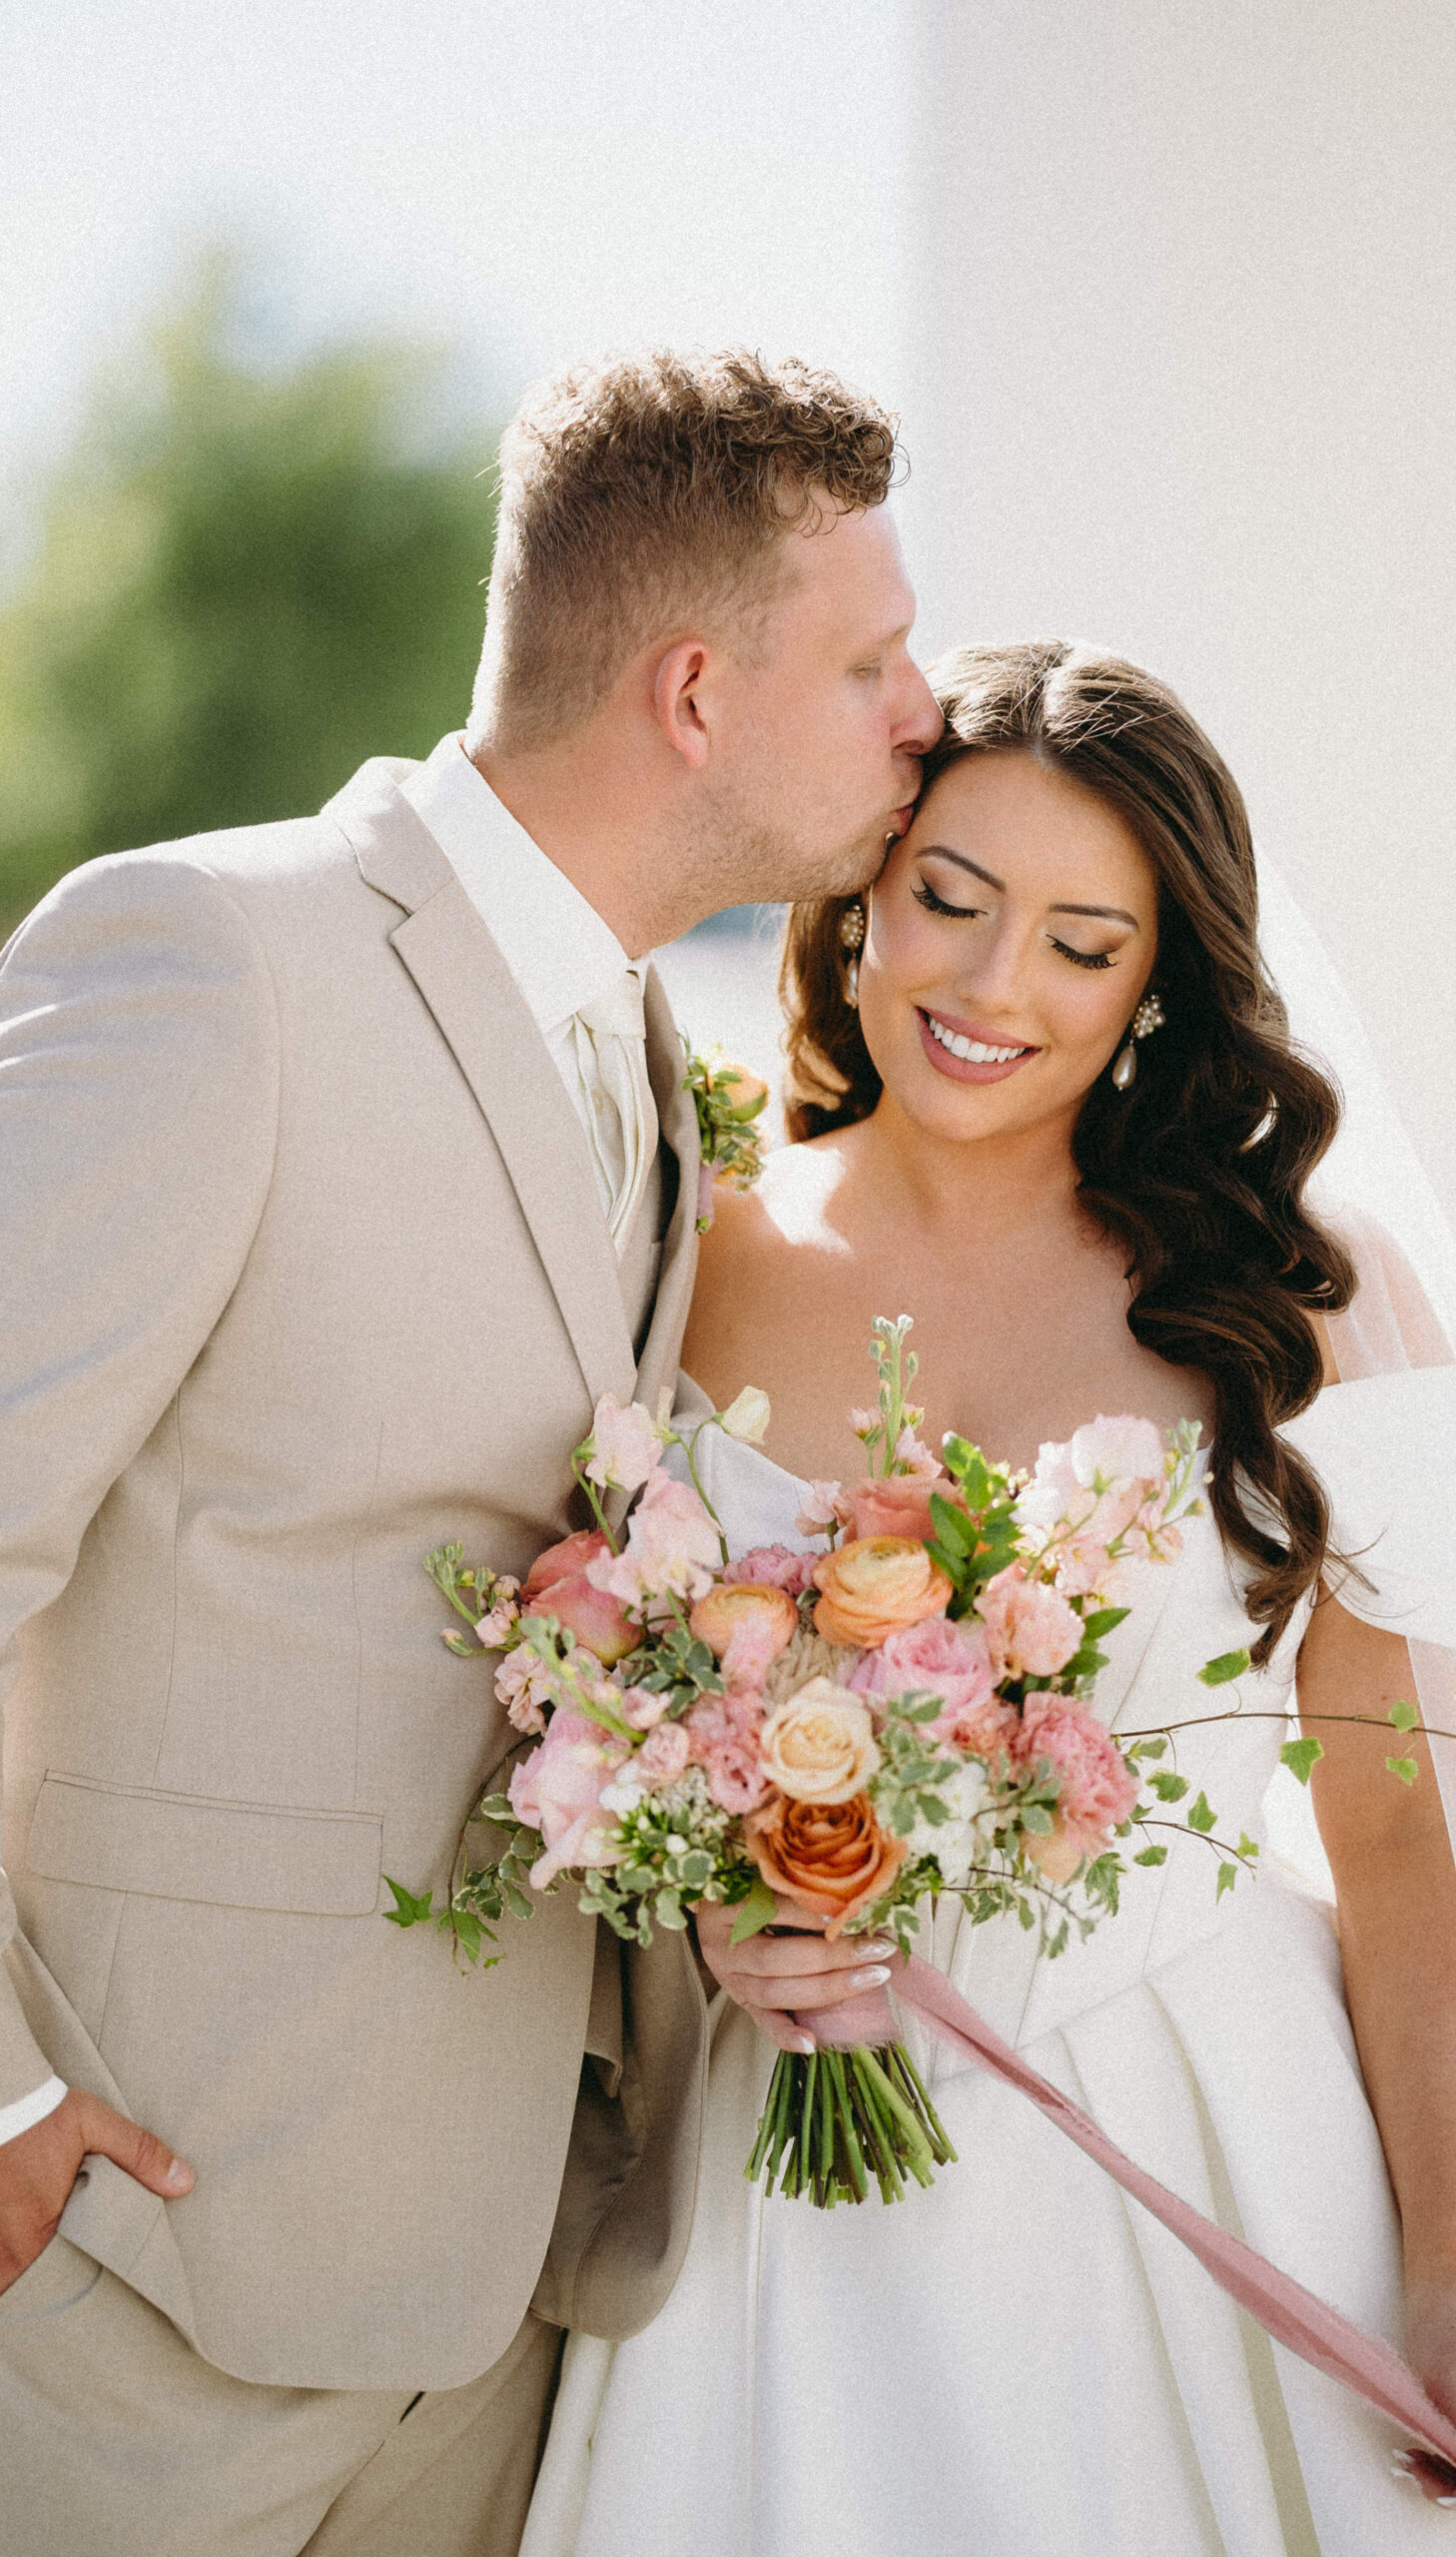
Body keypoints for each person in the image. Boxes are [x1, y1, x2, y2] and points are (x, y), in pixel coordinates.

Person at [523, 642, 1456, 2557]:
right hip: (783, 2187)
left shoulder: (1313, 1300)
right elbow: (602, 1687)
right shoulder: (693, 1246)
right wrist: (727, 1917)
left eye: (1082, 943)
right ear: (863, 898)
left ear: (1159, 987)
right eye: (953, 902)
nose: (993, 989)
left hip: (1202, 2134)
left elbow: (1412, 1819)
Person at [0, 348, 936, 2557]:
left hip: (510, 2294)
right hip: (138, 2269)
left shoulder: (648, 1044)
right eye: (874, 660)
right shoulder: (208, 957)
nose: (923, 712)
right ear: (693, 690)